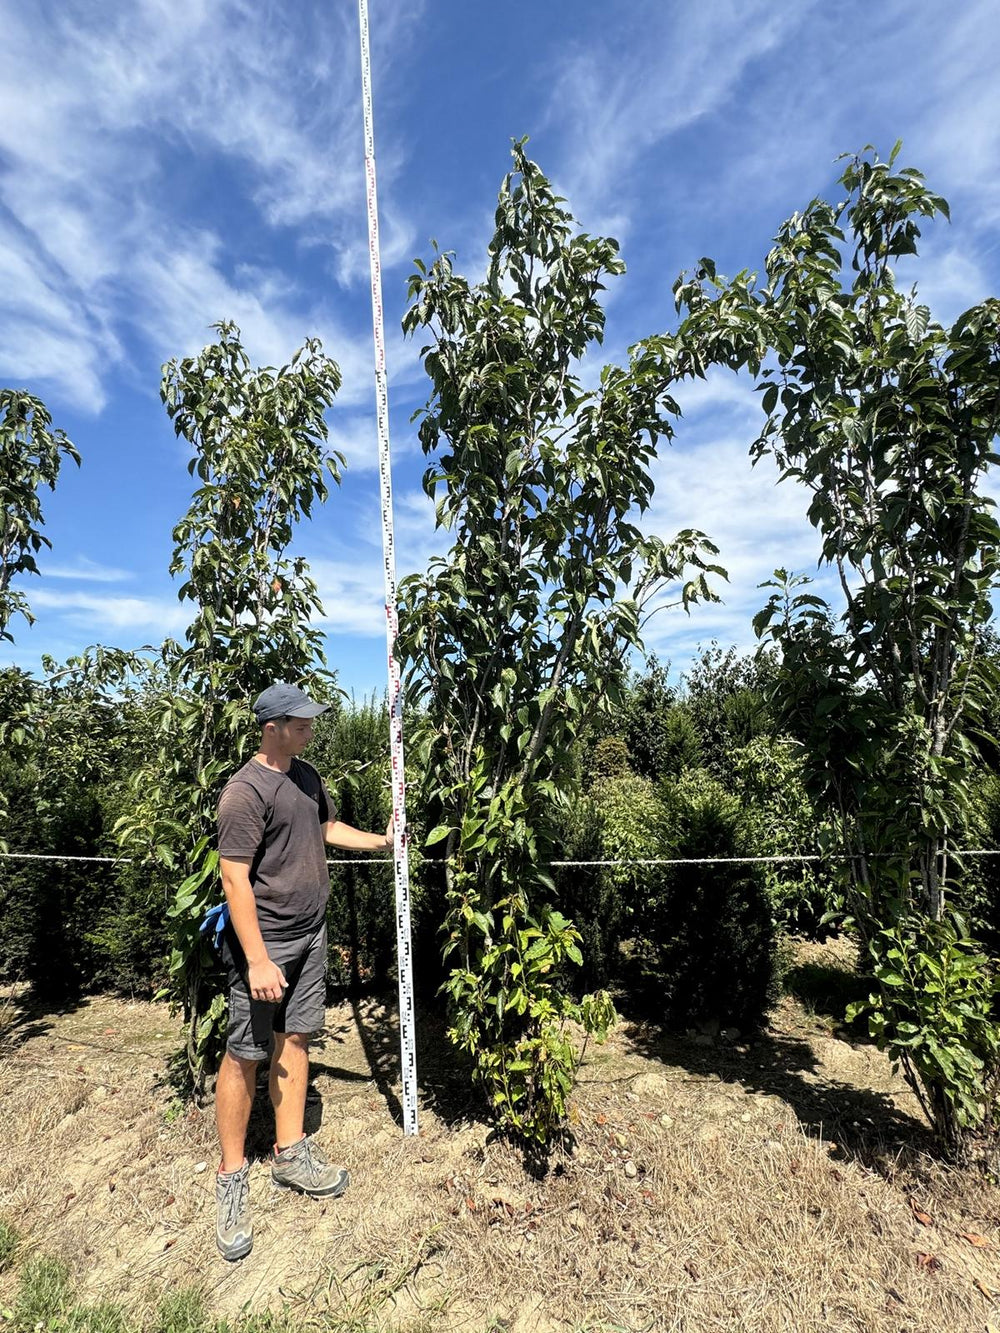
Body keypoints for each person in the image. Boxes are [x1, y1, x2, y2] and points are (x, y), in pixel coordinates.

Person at [213, 682, 394, 1261]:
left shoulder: (307, 776)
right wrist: (259, 958)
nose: (312, 729)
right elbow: (234, 878)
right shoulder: (244, 793)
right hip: (265, 944)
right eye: (302, 722)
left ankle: (289, 1154)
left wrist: (384, 841)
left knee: (296, 1037)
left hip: (312, 935)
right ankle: (231, 1177)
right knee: (244, 1052)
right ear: (271, 727)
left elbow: (325, 831)